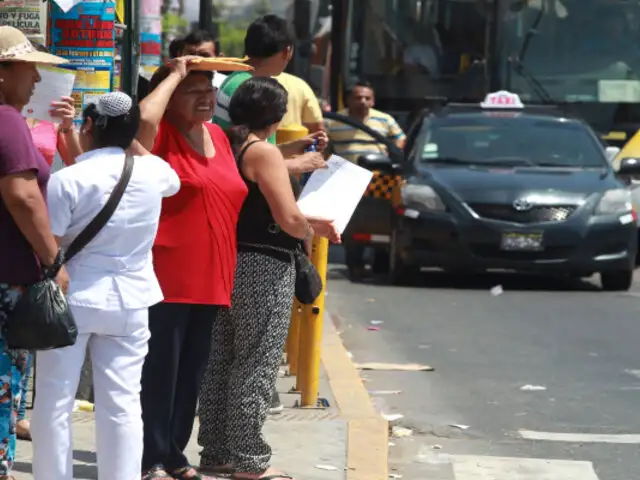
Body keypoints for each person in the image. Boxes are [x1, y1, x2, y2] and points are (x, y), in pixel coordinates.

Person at [30, 92, 180, 480]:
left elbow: (52, 240)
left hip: (73, 298)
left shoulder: (66, 181)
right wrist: (123, 132)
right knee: (123, 403)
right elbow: (169, 179)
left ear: (89, 127)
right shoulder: (156, 174)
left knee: (55, 400)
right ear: (132, 132)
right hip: (131, 300)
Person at [198, 76, 340, 480]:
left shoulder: (229, 144)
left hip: (226, 262)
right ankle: (250, 460)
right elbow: (288, 218)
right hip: (264, 266)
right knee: (256, 362)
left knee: (222, 360)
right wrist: (312, 228)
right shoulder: (265, 153)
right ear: (278, 116)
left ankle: (216, 451)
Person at [136, 57, 249, 480]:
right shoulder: (159, 134)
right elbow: (145, 114)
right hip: (168, 273)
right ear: (171, 98)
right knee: (160, 370)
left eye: (209, 89)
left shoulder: (218, 135)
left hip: (214, 274)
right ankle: (151, 457)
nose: (206, 97)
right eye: (194, 90)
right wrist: (175, 75)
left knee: (191, 374)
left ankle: (176, 454)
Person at [0, 25, 69, 479]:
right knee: (5, 385)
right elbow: (23, 196)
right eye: (30, 69)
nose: (37, 82)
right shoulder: (6, 121)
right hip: (8, 278)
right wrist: (52, 259)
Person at [16, 41, 82, 443]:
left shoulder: (48, 122)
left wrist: (69, 129)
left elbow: (80, 166)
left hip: (41, 232)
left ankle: (18, 410)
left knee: (32, 326)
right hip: (15, 227)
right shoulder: (8, 120)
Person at [214, 14, 328, 177]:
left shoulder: (236, 80)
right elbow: (246, 163)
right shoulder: (252, 90)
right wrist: (297, 164)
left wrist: (293, 146)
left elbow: (252, 150)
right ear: (287, 51)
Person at [324, 80, 407, 279]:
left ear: (373, 100)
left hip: (380, 181)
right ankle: (356, 264)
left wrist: (394, 151)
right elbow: (323, 144)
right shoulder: (334, 122)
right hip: (346, 180)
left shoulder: (384, 120)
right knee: (353, 224)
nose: (363, 101)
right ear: (348, 100)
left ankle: (380, 264)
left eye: (367, 98)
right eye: (358, 97)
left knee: (381, 222)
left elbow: (400, 138)